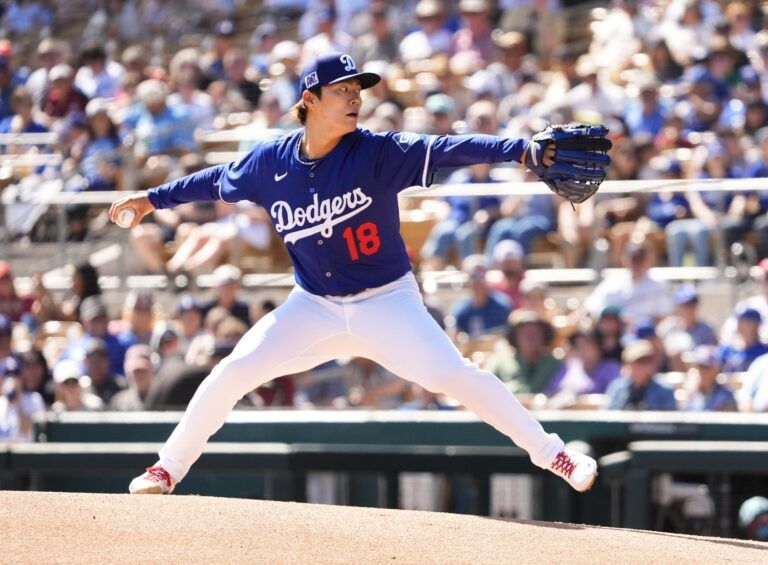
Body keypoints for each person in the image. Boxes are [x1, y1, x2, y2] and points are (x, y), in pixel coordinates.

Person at [112, 51, 599, 495]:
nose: (355, 98)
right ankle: (166, 468)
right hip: (314, 307)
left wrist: (520, 151)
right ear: (310, 99)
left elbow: (450, 148)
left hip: (387, 302)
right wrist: (151, 200)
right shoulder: (270, 162)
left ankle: (554, 454)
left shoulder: (376, 152)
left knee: (453, 374)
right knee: (232, 372)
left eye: (357, 90)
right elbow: (215, 181)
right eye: (342, 89)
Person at [604, 339, 677, 411]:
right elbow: (609, 415)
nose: (644, 366)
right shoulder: (617, 388)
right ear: (629, 365)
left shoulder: (665, 390)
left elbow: (669, 419)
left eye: (648, 361)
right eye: (639, 362)